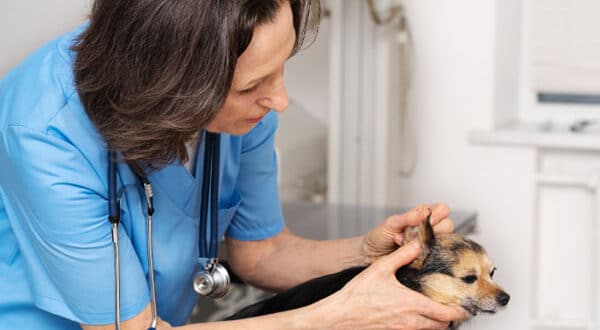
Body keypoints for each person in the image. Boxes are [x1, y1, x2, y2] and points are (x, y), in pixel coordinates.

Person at [0, 1, 467, 329]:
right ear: (172, 86)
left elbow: (262, 254)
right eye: (251, 86)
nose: (279, 99)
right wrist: (338, 315)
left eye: (282, 67)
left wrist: (370, 255)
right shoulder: (45, 132)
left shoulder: (246, 111)